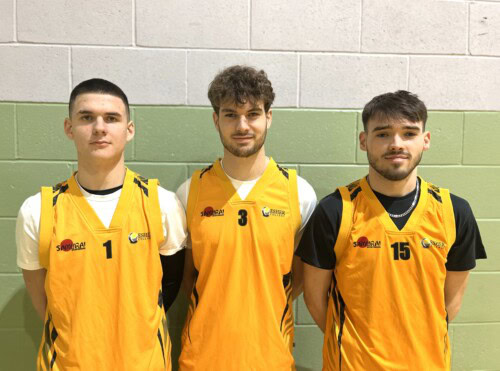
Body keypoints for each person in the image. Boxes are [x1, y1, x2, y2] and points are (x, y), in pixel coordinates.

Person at [296, 90, 487, 371]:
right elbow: (314, 299)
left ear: (425, 140)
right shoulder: (335, 210)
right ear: (364, 141)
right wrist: (353, 345)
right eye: (383, 134)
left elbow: (450, 302)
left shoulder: (454, 211)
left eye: (409, 133)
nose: (396, 144)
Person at [16, 78, 187, 370]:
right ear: (69, 128)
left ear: (129, 130)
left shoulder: (161, 203)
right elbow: (43, 300)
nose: (99, 128)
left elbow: (169, 285)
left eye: (111, 118)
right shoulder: (38, 210)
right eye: (86, 118)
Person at [176, 65, 317, 370]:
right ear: (216, 120)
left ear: (269, 117)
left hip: (271, 358)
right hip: (202, 358)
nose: (242, 125)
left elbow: (299, 278)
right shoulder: (190, 193)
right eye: (230, 114)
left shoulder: (299, 194)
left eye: (253, 113)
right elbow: (189, 277)